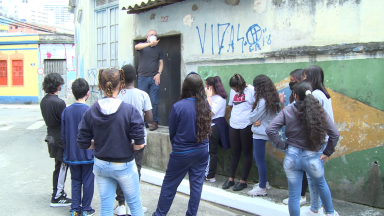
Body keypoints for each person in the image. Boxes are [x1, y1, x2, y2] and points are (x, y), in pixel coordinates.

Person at [77, 68, 145, 216]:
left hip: (101, 165)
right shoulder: (130, 110)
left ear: (100, 85)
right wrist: (127, 145)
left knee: (106, 209)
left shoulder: (90, 111)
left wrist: (100, 143)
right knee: (135, 207)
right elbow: (140, 144)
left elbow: (83, 142)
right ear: (121, 85)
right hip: (124, 166)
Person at [266, 81, 340, 216]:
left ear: (295, 95)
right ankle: (329, 213)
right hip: (313, 158)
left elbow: (270, 129)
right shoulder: (319, 111)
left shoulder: (288, 110)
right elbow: (335, 134)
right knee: (321, 185)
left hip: (291, 157)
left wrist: (282, 145)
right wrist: (327, 152)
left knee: (294, 196)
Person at [153, 72, 211, 216]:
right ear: (200, 88)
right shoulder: (205, 106)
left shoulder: (178, 106)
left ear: (185, 87)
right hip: (202, 152)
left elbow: (172, 132)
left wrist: (179, 147)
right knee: (197, 187)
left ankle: (160, 214)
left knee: (169, 186)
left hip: (182, 153)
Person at [114, 64, 152, 215]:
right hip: (138, 139)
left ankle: (121, 204)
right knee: (136, 170)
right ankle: (134, 205)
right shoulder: (143, 95)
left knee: (119, 170)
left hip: (119, 139)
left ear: (120, 78)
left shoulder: (117, 94)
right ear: (136, 77)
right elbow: (149, 118)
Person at [300, 65, 335, 215]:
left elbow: (312, 121)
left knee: (316, 179)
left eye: (305, 76)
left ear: (310, 77)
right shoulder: (324, 94)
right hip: (322, 140)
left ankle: (322, 210)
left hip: (316, 142)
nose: (303, 78)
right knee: (315, 178)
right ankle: (317, 207)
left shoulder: (315, 95)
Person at [61, 78, 95, 216]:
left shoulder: (66, 111)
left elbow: (63, 134)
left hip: (72, 154)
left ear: (73, 93)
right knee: (88, 180)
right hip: (87, 154)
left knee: (75, 180)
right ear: (87, 93)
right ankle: (86, 208)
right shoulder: (90, 111)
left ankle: (75, 209)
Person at [40, 73, 72, 207]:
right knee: (62, 167)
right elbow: (65, 122)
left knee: (58, 166)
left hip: (51, 134)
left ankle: (58, 192)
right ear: (57, 85)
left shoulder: (44, 100)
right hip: (60, 137)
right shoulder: (59, 102)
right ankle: (57, 195)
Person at [247, 75, 280, 196]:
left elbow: (252, 117)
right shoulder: (270, 98)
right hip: (262, 131)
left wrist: (253, 120)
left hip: (260, 133)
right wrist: (254, 120)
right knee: (257, 157)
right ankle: (264, 182)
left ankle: (262, 187)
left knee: (259, 159)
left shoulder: (262, 101)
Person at [222, 74, 254, 191]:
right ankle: (231, 179)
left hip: (246, 125)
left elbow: (257, 106)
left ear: (240, 85)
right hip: (234, 124)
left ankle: (243, 181)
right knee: (234, 152)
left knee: (246, 153)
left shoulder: (251, 90)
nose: (234, 90)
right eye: (233, 89)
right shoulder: (233, 91)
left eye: (235, 88)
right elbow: (231, 106)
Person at [282, 69, 309, 205]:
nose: (290, 83)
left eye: (293, 81)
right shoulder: (294, 97)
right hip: (294, 140)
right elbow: (286, 116)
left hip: (302, 141)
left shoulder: (308, 99)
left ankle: (301, 196)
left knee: (302, 170)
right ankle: (298, 196)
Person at [135, 29, 164, 131]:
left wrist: (159, 73)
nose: (153, 36)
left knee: (154, 101)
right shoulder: (143, 46)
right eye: (151, 35)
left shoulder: (159, 49)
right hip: (142, 77)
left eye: (155, 35)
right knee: (141, 101)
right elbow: (137, 46)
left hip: (154, 78)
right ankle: (142, 121)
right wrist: (149, 44)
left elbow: (161, 63)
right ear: (147, 37)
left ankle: (154, 122)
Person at [205, 76, 230, 183]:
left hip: (215, 126)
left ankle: (211, 175)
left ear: (210, 87)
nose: (204, 88)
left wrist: (209, 98)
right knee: (206, 151)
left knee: (212, 151)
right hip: (208, 126)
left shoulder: (219, 99)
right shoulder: (210, 98)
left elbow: (211, 113)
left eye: (206, 86)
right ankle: (206, 172)